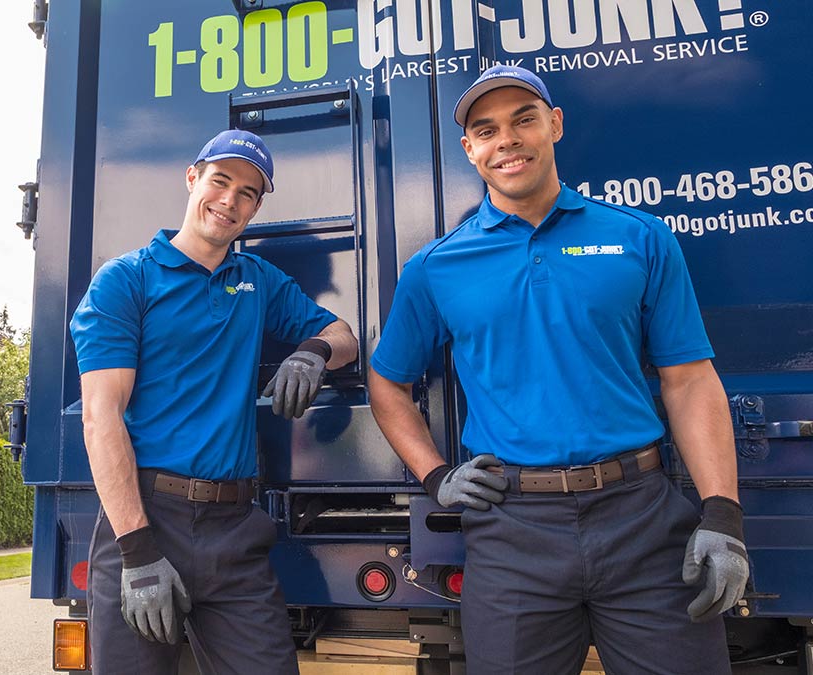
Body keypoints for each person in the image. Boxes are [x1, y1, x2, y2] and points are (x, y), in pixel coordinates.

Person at [368, 65, 748, 674]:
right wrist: (436, 475)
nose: (507, 140)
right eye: (487, 131)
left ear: (555, 125)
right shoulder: (435, 266)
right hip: (512, 532)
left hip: (643, 520)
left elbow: (689, 380)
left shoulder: (640, 238)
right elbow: (388, 382)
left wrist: (723, 514)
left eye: (524, 120)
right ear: (470, 149)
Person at [70, 129, 358, 674]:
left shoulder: (258, 281)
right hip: (147, 519)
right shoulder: (126, 281)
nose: (229, 200)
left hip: (234, 530)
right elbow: (100, 418)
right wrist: (138, 553)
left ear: (256, 207)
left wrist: (313, 352)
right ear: (192, 178)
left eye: (247, 192)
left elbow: (343, 334)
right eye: (220, 181)